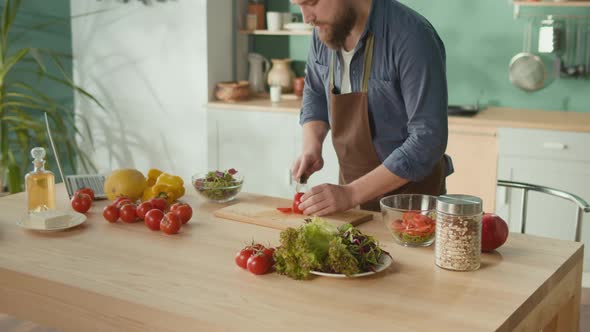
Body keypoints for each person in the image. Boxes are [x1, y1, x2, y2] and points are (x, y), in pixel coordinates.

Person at [290, 0, 453, 215]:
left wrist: (350, 194)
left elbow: (427, 140)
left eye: (311, 2)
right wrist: (312, 145)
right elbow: (316, 93)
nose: (306, 17)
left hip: (411, 208)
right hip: (352, 203)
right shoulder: (325, 29)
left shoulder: (412, 36)